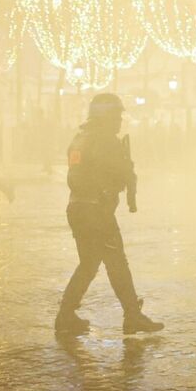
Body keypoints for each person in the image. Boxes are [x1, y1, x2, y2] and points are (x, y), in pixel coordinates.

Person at [55, 93, 163, 335]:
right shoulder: (106, 140)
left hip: (78, 208)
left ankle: (65, 315)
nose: (120, 121)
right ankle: (132, 316)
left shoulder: (80, 138)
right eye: (116, 116)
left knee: (89, 263)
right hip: (97, 211)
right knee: (117, 263)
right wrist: (128, 169)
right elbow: (121, 172)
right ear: (105, 117)